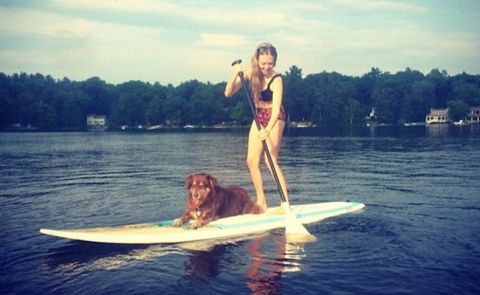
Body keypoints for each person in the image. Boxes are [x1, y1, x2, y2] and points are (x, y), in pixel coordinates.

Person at [224, 42, 289, 211]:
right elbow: (228, 93)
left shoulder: (277, 79)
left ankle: (285, 203)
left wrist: (267, 130)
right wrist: (234, 75)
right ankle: (262, 202)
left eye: (271, 63)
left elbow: (276, 110)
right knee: (251, 161)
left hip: (275, 117)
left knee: (270, 159)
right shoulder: (250, 74)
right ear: (257, 61)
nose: (267, 67)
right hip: (258, 116)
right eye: (263, 63)